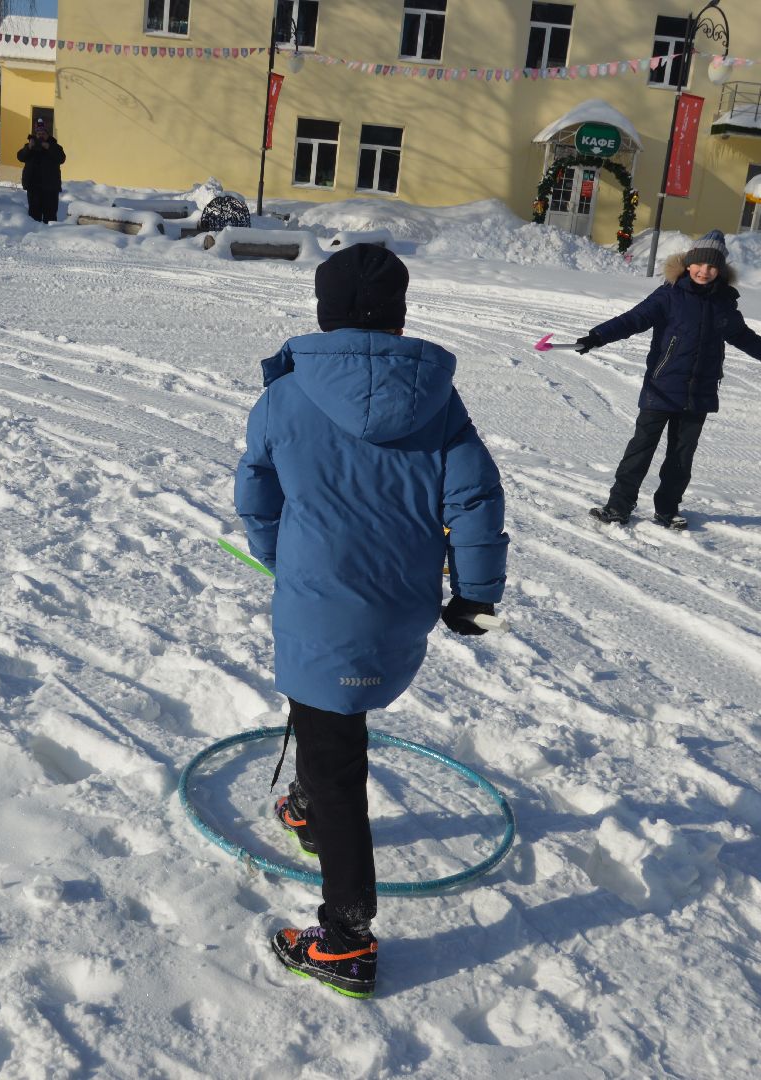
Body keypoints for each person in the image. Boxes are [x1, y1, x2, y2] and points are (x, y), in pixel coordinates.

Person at [235, 243, 508, 999]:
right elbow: (476, 497)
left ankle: (346, 940)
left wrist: (274, 552)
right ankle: (309, 806)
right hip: (398, 602)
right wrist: (476, 594)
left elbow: (255, 489)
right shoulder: (439, 400)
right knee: (330, 715)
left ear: (325, 313)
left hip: (319, 596)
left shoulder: (284, 397)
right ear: (398, 313)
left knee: (335, 749)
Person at [574, 230, 761, 531]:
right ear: (688, 264)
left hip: (699, 392)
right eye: (699, 264)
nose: (705, 271)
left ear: (720, 270)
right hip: (662, 387)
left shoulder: (723, 303)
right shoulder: (670, 295)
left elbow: (741, 335)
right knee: (640, 449)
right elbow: (633, 319)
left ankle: (666, 509)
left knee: (681, 456)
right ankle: (618, 507)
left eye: (712, 266)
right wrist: (597, 337)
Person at [17, 119, 66, 224]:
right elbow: (20, 156)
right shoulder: (31, 147)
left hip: (50, 189)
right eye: (38, 134)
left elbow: (62, 158)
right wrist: (29, 147)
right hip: (33, 188)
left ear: (48, 134)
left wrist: (49, 147)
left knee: (50, 217)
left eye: (43, 134)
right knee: (34, 217)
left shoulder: (55, 146)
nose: (40, 136)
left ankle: (49, 238)